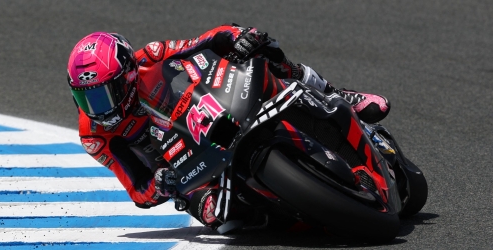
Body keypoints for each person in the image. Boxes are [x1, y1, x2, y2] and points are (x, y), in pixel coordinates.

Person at [66, 24, 391, 229]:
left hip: (208, 108)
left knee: (266, 51)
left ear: (128, 75)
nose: (98, 109)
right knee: (212, 213)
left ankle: (333, 93)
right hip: (178, 165)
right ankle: (275, 211)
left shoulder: (149, 57)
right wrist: (159, 185)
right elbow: (136, 186)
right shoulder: (94, 135)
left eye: (103, 95)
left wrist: (237, 37)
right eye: (87, 100)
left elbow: (204, 41)